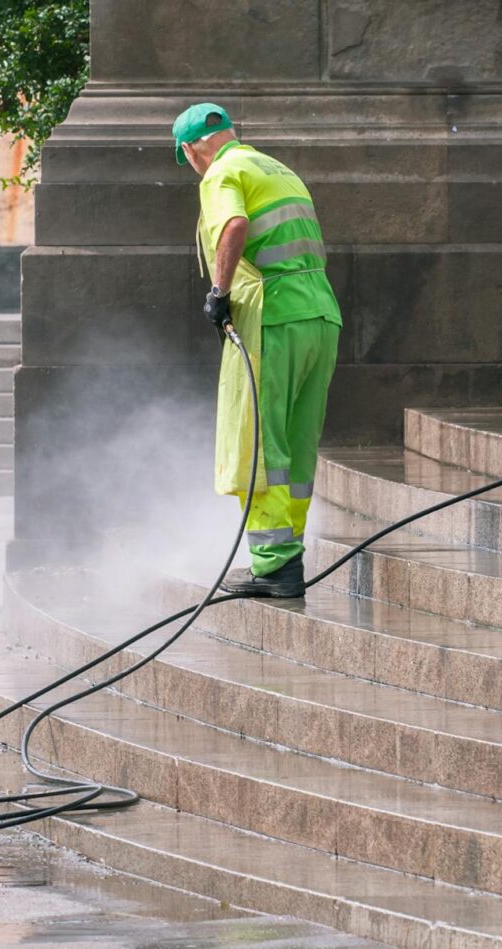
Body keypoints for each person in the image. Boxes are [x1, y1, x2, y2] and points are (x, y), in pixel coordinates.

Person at [172, 102, 342, 598]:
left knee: (261, 446)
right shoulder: (275, 167)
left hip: (274, 318)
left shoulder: (221, 172)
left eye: (190, 160)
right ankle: (286, 561)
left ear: (192, 150)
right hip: (320, 315)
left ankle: (273, 566)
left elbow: (232, 226)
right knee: (295, 446)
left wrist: (218, 294)